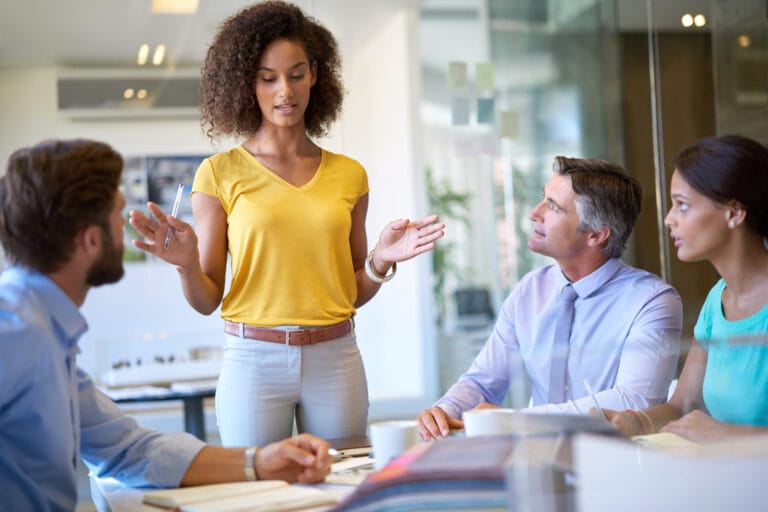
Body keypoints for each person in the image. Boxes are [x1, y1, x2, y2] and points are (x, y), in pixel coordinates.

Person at [128, 0, 444, 447]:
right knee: (260, 492)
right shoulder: (218, 173)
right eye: (268, 78)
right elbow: (206, 299)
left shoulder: (349, 174)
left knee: (342, 487)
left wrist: (380, 260)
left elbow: (350, 291)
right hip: (253, 360)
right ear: (247, 83)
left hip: (336, 356)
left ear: (316, 74)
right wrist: (185, 265)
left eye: (297, 74)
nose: (285, 92)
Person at [0, 139, 333, 512]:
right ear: (91, 240)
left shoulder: (48, 334)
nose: (126, 227)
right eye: (118, 214)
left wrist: (259, 461)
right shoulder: (13, 332)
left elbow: (128, 448)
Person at [418, 156, 683, 440]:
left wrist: (514, 420)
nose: (534, 213)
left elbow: (635, 402)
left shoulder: (652, 302)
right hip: (534, 458)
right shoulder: (529, 291)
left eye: (553, 207)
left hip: (615, 462)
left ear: (596, 234)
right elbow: (483, 382)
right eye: (542, 199)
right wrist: (445, 411)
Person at [603, 135, 768, 442]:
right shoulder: (718, 299)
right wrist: (631, 422)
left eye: (682, 205)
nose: (668, 219)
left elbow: (714, 431)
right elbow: (682, 406)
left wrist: (724, 435)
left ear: (734, 213)